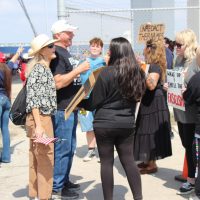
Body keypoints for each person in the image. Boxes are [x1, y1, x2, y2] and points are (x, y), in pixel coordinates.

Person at [80, 37, 146, 200]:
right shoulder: (138, 73)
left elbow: (93, 103)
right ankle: (138, 197)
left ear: (115, 52)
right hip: (126, 123)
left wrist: (79, 102)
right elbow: (139, 97)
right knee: (129, 161)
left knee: (107, 162)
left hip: (104, 124)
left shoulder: (105, 73)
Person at [50, 20, 90, 199]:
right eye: (69, 32)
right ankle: (57, 188)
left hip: (70, 108)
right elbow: (57, 82)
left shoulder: (63, 52)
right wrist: (79, 70)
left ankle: (63, 182)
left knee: (70, 147)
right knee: (63, 148)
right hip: (62, 109)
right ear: (58, 35)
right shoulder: (57, 54)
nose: (72, 35)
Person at [25, 34, 58, 200]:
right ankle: (44, 196)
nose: (54, 48)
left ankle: (36, 194)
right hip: (41, 118)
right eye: (50, 46)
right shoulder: (40, 70)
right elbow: (33, 101)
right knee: (45, 158)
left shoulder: (40, 69)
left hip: (38, 118)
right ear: (42, 51)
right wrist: (39, 126)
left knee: (36, 158)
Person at [134, 39, 172, 174]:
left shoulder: (154, 66)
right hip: (150, 101)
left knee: (149, 130)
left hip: (154, 102)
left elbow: (151, 84)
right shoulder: (152, 65)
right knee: (145, 130)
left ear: (149, 50)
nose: (143, 50)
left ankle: (152, 165)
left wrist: (141, 67)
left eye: (145, 47)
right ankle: (147, 161)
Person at [173, 29, 198, 195]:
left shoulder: (196, 62)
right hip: (179, 110)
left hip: (191, 113)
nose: (176, 47)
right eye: (175, 44)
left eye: (179, 44)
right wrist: (170, 86)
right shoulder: (178, 60)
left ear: (188, 45)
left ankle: (191, 180)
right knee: (185, 144)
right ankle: (190, 176)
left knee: (190, 147)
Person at [78, 37, 106, 162]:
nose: (94, 48)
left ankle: (103, 151)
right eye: (93, 46)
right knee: (88, 126)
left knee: (101, 126)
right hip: (84, 99)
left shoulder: (104, 62)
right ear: (89, 47)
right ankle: (91, 150)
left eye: (97, 46)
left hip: (101, 99)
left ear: (101, 48)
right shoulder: (83, 62)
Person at [0, 63, 12, 163]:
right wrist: (18, 52)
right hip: (6, 100)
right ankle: (6, 157)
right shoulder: (7, 68)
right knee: (5, 129)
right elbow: (12, 61)